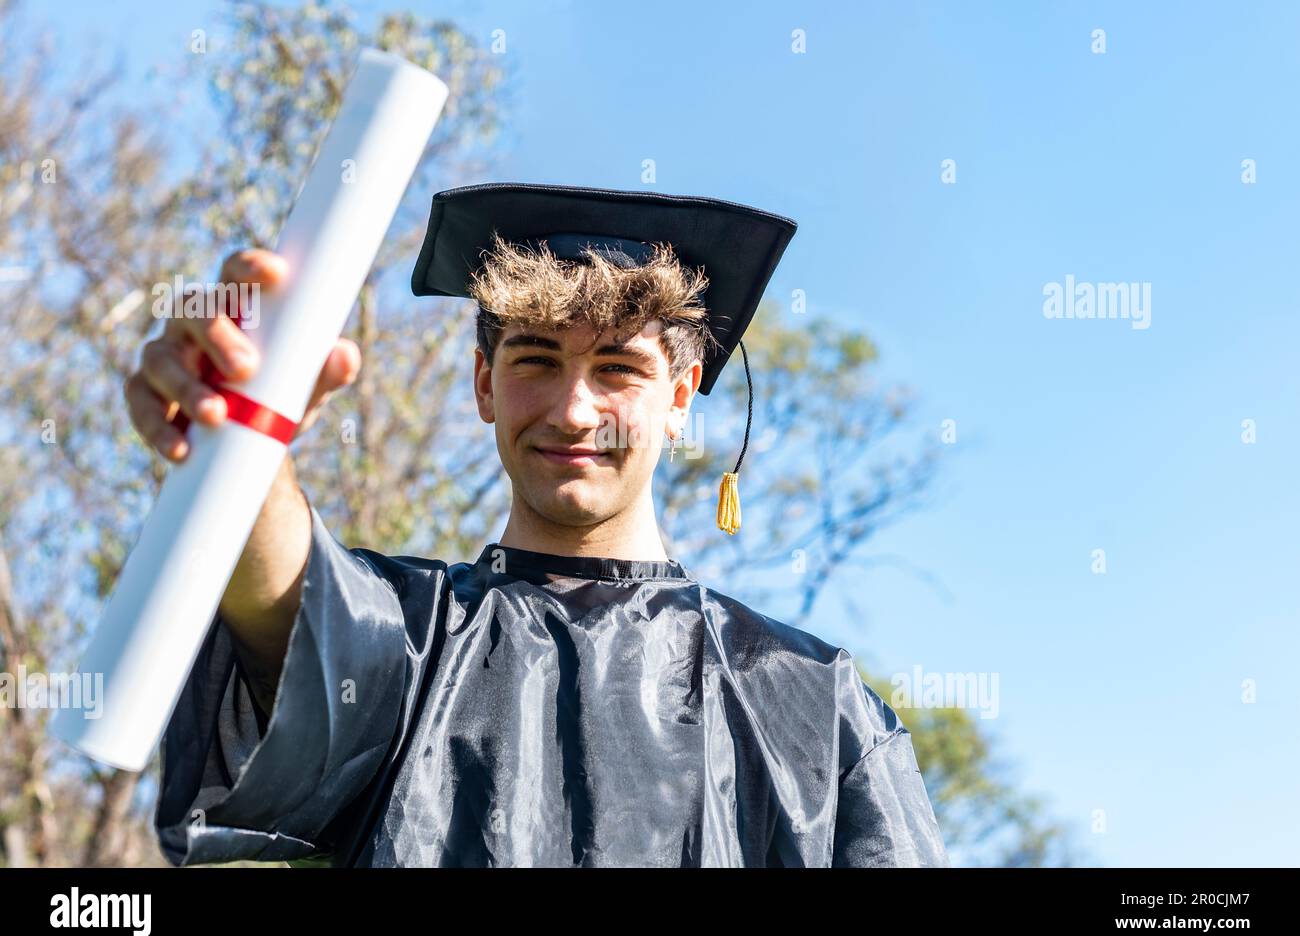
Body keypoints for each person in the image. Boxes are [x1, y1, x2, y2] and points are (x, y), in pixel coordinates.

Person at [129, 182, 950, 867]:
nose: (572, 408)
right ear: (484, 383)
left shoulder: (810, 701)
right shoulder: (408, 643)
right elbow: (290, 601)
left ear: (678, 397)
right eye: (535, 360)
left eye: (618, 368)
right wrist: (239, 439)